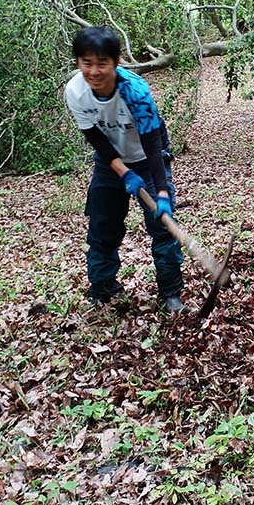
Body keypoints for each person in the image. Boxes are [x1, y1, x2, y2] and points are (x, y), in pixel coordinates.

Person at [64, 26, 185, 312]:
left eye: (102, 63)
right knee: (102, 225)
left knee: (163, 227)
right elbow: (96, 140)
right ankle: (102, 287)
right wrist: (123, 172)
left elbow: (153, 146)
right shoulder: (75, 91)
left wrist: (163, 193)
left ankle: (170, 293)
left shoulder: (135, 91)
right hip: (111, 160)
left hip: (147, 157)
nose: (94, 71)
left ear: (116, 62)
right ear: (79, 62)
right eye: (87, 63)